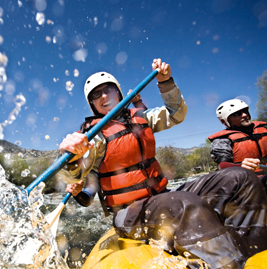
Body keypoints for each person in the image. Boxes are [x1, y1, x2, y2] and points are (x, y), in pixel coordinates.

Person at [58, 59, 267, 268]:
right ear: (92, 104)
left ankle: (250, 253)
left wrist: (165, 82)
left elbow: (176, 114)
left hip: (162, 195)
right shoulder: (93, 137)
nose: (103, 96)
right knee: (183, 204)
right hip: (128, 212)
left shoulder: (141, 118)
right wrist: (72, 156)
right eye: (96, 94)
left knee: (241, 178)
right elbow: (75, 174)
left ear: (119, 93)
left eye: (108, 89)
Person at [208, 99, 267, 187]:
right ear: (225, 121)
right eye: (237, 114)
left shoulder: (264, 128)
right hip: (248, 183)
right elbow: (223, 165)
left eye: (245, 111)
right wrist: (241, 166)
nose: (245, 115)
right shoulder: (222, 140)